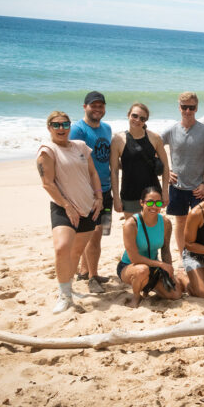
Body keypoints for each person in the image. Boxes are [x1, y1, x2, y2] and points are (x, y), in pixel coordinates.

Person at [36, 111, 102, 314]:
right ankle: (64, 296)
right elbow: (47, 183)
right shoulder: (47, 151)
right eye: (56, 125)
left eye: (65, 124)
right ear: (49, 128)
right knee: (62, 248)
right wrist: (66, 205)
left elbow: (92, 173)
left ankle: (69, 289)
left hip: (88, 207)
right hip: (63, 207)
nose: (61, 129)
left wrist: (99, 198)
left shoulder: (80, 146)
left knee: (75, 253)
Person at [161, 92, 204, 255]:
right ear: (179, 108)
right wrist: (167, 171)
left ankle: (199, 253)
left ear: (196, 108)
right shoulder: (171, 130)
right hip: (177, 186)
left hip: (198, 187)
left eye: (191, 107)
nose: (188, 111)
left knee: (200, 223)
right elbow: (154, 147)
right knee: (180, 222)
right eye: (184, 107)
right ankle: (182, 255)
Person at [116, 187, 187, 307]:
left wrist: (169, 271)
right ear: (141, 203)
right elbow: (134, 258)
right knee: (142, 270)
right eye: (149, 202)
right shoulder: (131, 224)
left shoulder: (165, 222)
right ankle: (136, 297)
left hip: (153, 268)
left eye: (158, 203)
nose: (154, 206)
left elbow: (165, 251)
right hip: (130, 266)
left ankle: (148, 286)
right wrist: (160, 264)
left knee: (176, 295)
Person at [70, 91, 112, 294]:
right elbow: (71, 160)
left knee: (99, 233)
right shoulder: (78, 130)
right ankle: (93, 277)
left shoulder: (107, 128)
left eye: (100, 105)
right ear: (84, 107)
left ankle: (85, 271)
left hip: (106, 190)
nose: (97, 109)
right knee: (92, 235)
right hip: (88, 192)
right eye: (93, 105)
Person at [110, 102, 169, 218]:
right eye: (134, 116)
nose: (137, 120)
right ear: (128, 115)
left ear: (145, 121)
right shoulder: (118, 140)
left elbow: (166, 166)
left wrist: (165, 192)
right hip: (129, 193)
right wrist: (116, 198)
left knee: (151, 229)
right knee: (132, 230)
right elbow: (114, 171)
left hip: (153, 193)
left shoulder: (155, 138)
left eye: (142, 118)